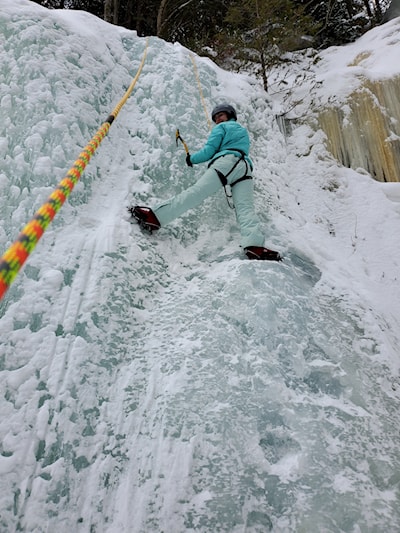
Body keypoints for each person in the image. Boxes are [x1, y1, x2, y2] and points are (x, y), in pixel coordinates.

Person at [131, 103, 281, 261]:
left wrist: (191, 159)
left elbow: (209, 151)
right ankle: (254, 246)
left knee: (197, 192)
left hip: (226, 163)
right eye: (216, 118)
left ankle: (155, 217)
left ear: (229, 115)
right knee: (246, 208)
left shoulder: (221, 128)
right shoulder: (241, 130)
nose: (217, 119)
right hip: (244, 168)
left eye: (220, 115)